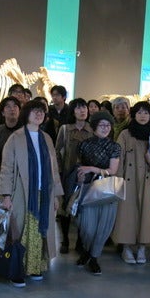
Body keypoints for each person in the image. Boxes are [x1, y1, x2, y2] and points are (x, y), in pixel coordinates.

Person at [0, 100, 64, 287]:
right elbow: (7, 168)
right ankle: (17, 270)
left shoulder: (47, 138)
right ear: (26, 114)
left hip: (44, 193)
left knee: (39, 231)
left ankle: (34, 267)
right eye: (35, 111)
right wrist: (5, 195)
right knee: (20, 231)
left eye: (42, 111)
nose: (39, 114)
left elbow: (53, 169)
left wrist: (56, 195)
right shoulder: (15, 138)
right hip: (21, 192)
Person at [113, 101, 150, 264]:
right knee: (127, 214)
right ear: (134, 115)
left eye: (146, 113)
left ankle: (142, 247)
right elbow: (118, 158)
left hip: (148, 179)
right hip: (128, 179)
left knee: (146, 215)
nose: (143, 116)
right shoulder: (125, 134)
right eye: (139, 112)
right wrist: (118, 180)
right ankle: (126, 247)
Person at [75, 111, 121, 275]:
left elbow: (112, 170)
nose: (105, 128)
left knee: (103, 227)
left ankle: (94, 257)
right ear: (94, 127)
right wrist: (81, 176)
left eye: (108, 125)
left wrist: (91, 169)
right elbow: (78, 166)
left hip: (107, 190)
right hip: (88, 188)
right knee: (86, 226)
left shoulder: (114, 146)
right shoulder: (84, 144)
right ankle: (87, 251)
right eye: (102, 125)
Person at [55, 98, 93, 254]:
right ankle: (65, 239)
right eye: (78, 108)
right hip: (67, 174)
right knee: (65, 208)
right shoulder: (65, 129)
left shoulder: (92, 129)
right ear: (72, 111)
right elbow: (57, 152)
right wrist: (58, 173)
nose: (82, 110)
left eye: (84, 107)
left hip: (87, 175)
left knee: (83, 207)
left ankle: (80, 241)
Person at [0, 97, 22, 210]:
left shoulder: (26, 132)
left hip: (21, 179)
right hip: (0, 178)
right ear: (3, 112)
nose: (12, 109)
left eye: (15, 106)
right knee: (0, 212)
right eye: (8, 107)